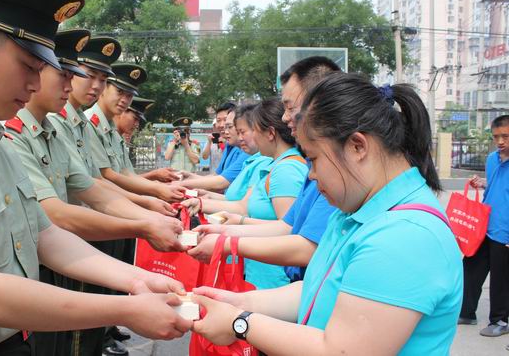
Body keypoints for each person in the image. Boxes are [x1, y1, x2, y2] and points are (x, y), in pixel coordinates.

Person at [0, 0, 191, 355]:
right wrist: (127, 307)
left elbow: (45, 235)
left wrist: (139, 280)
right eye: (28, 65)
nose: (35, 82)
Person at [191, 73, 463, 355]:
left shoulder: (405, 236)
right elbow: (316, 290)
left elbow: (340, 350)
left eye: (314, 159)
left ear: (357, 146)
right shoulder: (355, 212)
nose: (311, 173)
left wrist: (241, 324)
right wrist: (240, 303)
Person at [5, 29, 186, 355]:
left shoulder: (51, 130)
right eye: (66, 74)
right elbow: (54, 213)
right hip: (49, 258)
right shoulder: (13, 132)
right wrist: (143, 221)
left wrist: (146, 212)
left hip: (67, 249)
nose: (73, 84)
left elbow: (91, 186)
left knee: (70, 339)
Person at [189, 56, 340, 283]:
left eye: (289, 107)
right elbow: (287, 226)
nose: (285, 117)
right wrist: (229, 231)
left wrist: (229, 242)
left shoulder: (300, 170)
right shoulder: (303, 167)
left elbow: (305, 244)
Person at [184, 99, 308, 290]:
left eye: (253, 131)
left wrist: (232, 232)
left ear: (271, 133)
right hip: (260, 270)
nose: (251, 138)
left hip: (275, 277)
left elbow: (288, 230)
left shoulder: (286, 171)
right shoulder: (272, 165)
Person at [48, 36, 175, 217]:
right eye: (89, 76)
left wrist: (152, 194)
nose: (96, 86)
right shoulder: (61, 120)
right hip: (85, 219)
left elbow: (109, 176)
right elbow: (100, 179)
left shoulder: (83, 124)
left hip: (98, 215)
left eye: (102, 80)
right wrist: (147, 201)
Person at [86, 64, 185, 202]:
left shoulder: (112, 131)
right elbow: (107, 175)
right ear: (104, 88)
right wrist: (154, 192)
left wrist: (155, 186)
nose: (125, 100)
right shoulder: (89, 124)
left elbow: (126, 173)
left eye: (130, 95)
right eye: (119, 92)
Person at [460, 114, 509, 337]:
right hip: (484, 227)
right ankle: (467, 312)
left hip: (505, 233)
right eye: (496, 137)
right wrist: (482, 183)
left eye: (506, 136)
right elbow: (498, 187)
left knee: (501, 278)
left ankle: (499, 320)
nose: (500, 141)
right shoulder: (492, 159)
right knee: (470, 270)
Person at [176, 108, 248, 192]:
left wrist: (179, 184)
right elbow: (215, 174)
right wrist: (188, 176)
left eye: (229, 125)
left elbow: (221, 182)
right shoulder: (230, 146)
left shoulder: (247, 151)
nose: (222, 126)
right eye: (218, 121)